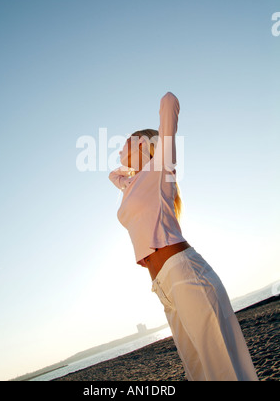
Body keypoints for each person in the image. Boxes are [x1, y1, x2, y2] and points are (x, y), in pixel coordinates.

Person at [109, 91, 258, 382]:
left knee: (224, 370)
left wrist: (147, 144)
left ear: (142, 143)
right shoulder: (133, 184)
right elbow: (114, 175)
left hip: (185, 274)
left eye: (125, 142)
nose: (119, 150)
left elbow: (169, 102)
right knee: (199, 372)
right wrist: (130, 168)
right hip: (163, 286)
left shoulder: (161, 169)